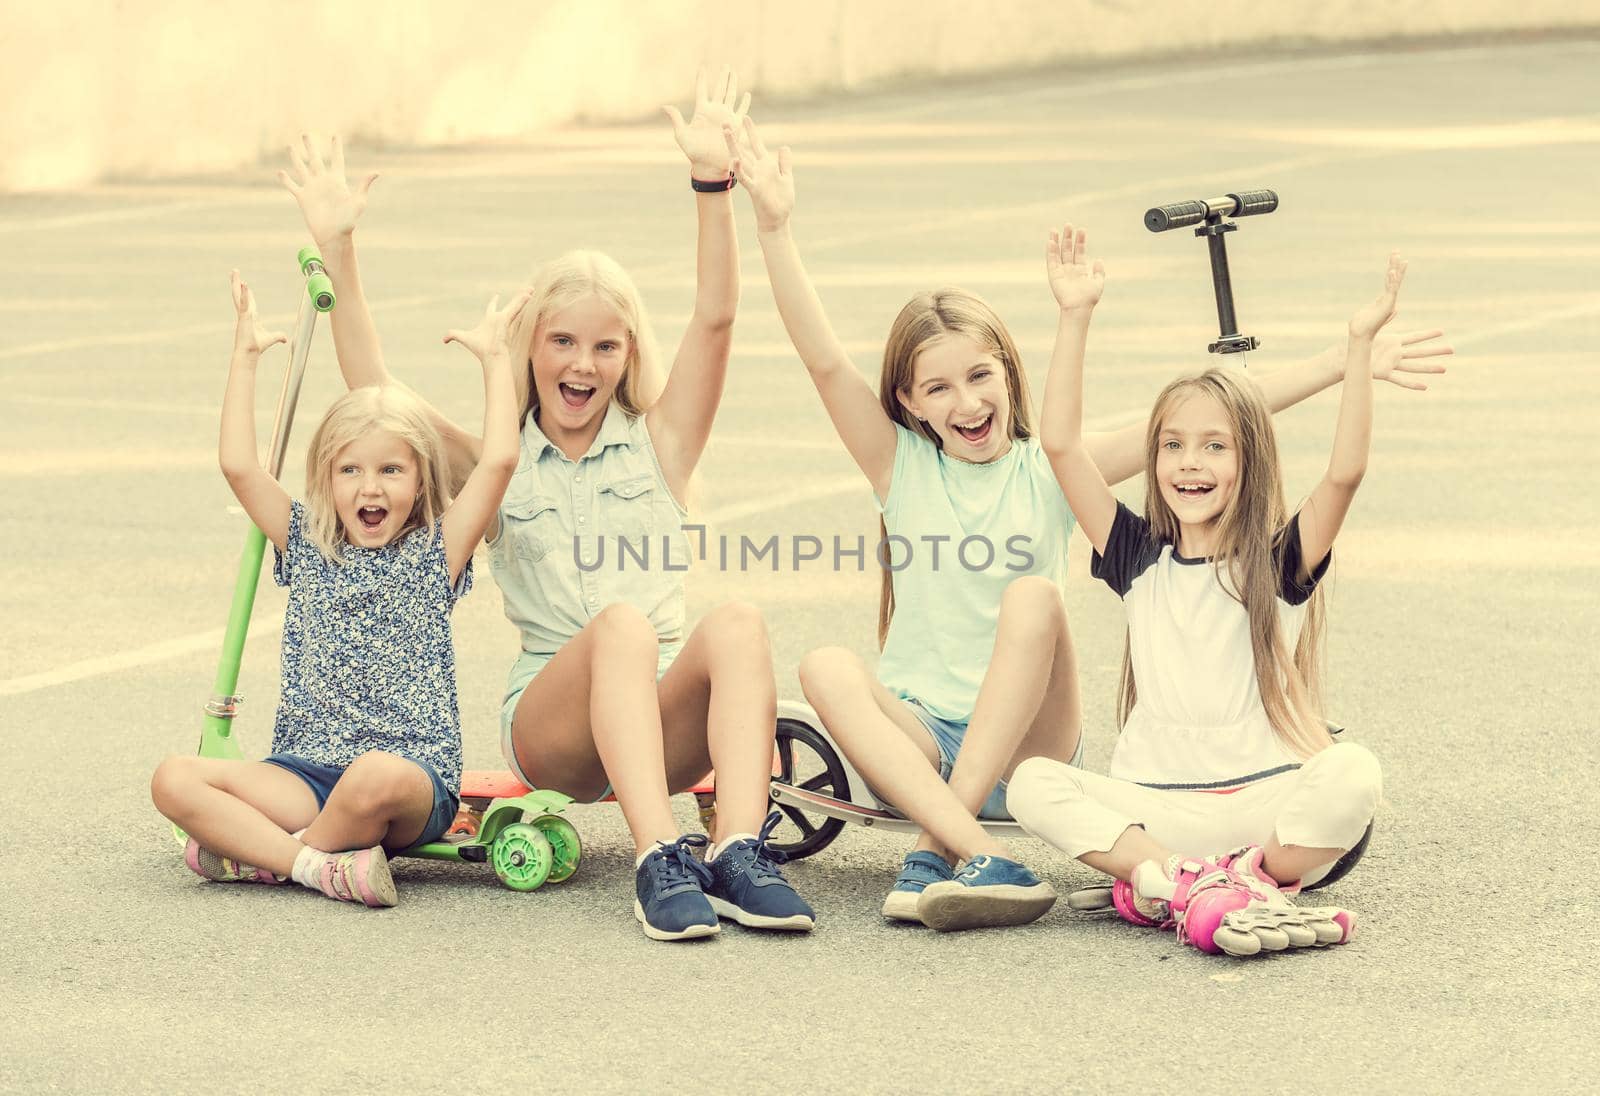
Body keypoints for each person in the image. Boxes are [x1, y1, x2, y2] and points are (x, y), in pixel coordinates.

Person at [723, 118, 1445, 933]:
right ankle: (965, 843)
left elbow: (1216, 414)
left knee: (1035, 598)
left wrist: (1350, 365)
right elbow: (824, 360)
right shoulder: (899, 466)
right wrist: (774, 226)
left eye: (980, 376)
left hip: (1031, 732)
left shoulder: (1052, 468)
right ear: (907, 405)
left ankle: (937, 846)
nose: (966, 403)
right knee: (822, 663)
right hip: (919, 741)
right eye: (938, 389)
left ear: (1007, 372)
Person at [279, 71, 815, 941]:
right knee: (620, 628)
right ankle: (657, 860)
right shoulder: (496, 461)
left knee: (742, 622)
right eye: (562, 341)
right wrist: (338, 249)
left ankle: (737, 855)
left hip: (663, 716)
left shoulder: (660, 442)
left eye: (605, 345)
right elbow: (373, 386)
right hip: (554, 729)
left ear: (626, 353)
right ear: (529, 348)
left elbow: (715, 320)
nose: (583, 362)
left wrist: (712, 185)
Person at [1005, 225, 1401, 957]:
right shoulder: (1135, 555)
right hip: (1159, 809)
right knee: (1030, 783)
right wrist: (1074, 317)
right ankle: (1188, 882)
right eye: (1173, 444)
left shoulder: (1277, 562)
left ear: (1248, 459)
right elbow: (1060, 447)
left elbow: (1344, 474)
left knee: (1354, 774)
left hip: (1263, 802)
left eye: (1215, 445)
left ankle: (1227, 880)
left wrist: (1355, 351)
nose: (1191, 463)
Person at [150, 270, 525, 908]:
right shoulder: (306, 540)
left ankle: (261, 855)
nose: (369, 488)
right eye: (349, 469)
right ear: (326, 478)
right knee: (173, 779)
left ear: (419, 478)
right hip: (302, 773)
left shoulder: (436, 549)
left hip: (405, 782)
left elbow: (499, 461)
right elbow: (240, 465)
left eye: (390, 470)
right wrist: (244, 361)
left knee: (371, 776)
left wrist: (495, 363)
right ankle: (312, 864)